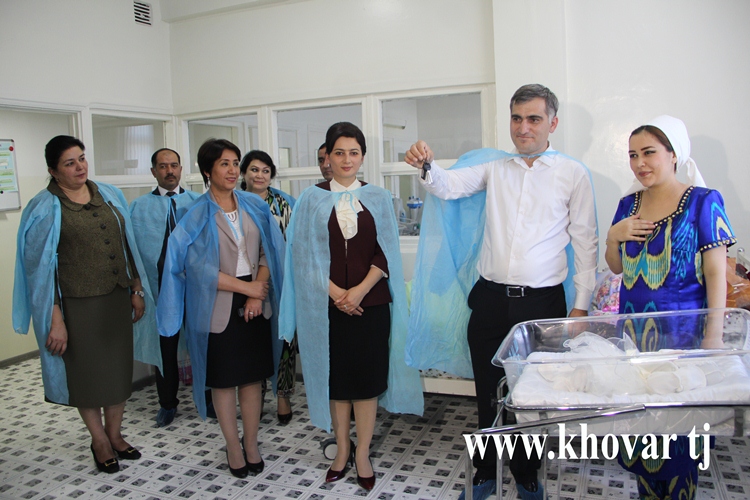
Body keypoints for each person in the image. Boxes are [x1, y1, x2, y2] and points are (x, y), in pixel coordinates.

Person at [404, 84, 598, 500]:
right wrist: (427, 165)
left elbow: (586, 244)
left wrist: (581, 306)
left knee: (531, 394)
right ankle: (484, 473)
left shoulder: (572, 174)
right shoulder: (495, 168)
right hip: (490, 300)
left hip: (541, 305)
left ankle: (527, 475)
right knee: (488, 393)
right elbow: (448, 185)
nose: (523, 127)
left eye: (534, 119)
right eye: (517, 118)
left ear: (553, 124)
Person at [279, 122, 423, 491]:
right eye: (339, 152)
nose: (346, 160)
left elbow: (385, 252)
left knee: (366, 383)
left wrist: (358, 292)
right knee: (337, 382)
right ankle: (342, 450)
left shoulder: (378, 198)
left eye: (353, 152)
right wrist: (336, 295)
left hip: (370, 304)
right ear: (327, 157)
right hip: (324, 309)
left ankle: (363, 454)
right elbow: (303, 256)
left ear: (362, 156)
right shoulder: (310, 200)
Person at [605, 115, 736, 499]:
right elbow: (616, 267)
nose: (639, 163)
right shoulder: (627, 205)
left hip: (684, 340)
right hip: (634, 342)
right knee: (642, 434)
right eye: (633, 155)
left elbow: (716, 273)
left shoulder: (703, 202)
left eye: (649, 152)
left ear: (674, 154)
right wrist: (613, 237)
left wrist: (713, 336)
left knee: (679, 441)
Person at [13, 135, 161, 474]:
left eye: (81, 158)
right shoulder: (44, 207)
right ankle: (99, 441)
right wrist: (55, 319)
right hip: (77, 307)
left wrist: (136, 288)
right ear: (53, 171)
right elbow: (40, 273)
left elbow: (128, 245)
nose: (80, 166)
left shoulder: (109, 194)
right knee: (88, 377)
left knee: (118, 374)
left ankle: (115, 435)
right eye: (70, 163)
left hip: (116, 300)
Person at [157, 138, 285, 478]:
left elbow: (269, 251)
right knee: (224, 382)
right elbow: (196, 269)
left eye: (235, 163)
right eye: (224, 164)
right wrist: (247, 289)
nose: (232, 170)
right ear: (207, 171)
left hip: (256, 300)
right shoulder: (194, 213)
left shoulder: (254, 205)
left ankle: (252, 442)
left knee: (252, 380)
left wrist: (257, 294)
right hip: (217, 306)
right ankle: (233, 446)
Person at [129, 148, 201, 427]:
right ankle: (167, 403)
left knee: (201, 345)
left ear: (181, 169)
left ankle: (207, 398)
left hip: (195, 289)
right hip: (160, 291)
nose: (169, 171)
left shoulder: (197, 202)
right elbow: (132, 253)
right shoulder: (138, 207)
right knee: (165, 347)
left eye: (174, 165)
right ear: (153, 171)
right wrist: (137, 290)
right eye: (163, 166)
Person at [239, 149, 297, 424]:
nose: (259, 175)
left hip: (282, 283)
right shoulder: (234, 201)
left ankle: (283, 396)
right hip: (245, 283)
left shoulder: (284, 203)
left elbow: (294, 243)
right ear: (244, 173)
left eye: (265, 171)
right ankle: (256, 396)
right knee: (253, 342)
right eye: (254, 169)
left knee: (285, 339)